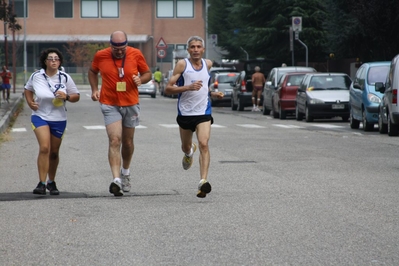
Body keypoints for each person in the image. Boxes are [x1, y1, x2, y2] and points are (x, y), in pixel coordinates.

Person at [88, 30, 151, 197]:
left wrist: (141, 80)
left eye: (122, 48)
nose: (119, 51)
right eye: (116, 49)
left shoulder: (136, 54)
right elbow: (92, 71)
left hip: (130, 102)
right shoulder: (101, 55)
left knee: (128, 142)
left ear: (126, 44)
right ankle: (116, 180)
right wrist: (95, 89)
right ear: (110, 45)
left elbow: (147, 74)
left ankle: (125, 172)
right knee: (115, 139)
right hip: (110, 103)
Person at [165, 36, 224, 198]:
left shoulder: (208, 64)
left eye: (199, 47)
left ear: (203, 50)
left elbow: (204, 86)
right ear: (188, 50)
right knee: (185, 146)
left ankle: (203, 182)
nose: (196, 50)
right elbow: (168, 89)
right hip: (185, 113)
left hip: (203, 112)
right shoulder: (182, 65)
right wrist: (188, 87)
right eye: (192, 47)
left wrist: (213, 93)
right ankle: (189, 152)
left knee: (204, 143)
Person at [24, 48, 80, 195]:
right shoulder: (37, 76)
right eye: (51, 58)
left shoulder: (65, 77)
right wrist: (30, 102)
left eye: (56, 58)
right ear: (45, 61)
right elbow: (28, 89)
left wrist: (66, 96)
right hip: (40, 116)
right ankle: (41, 183)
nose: (54, 61)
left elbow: (76, 96)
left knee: (54, 152)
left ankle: (51, 182)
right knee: (44, 148)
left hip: (59, 118)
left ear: (60, 61)